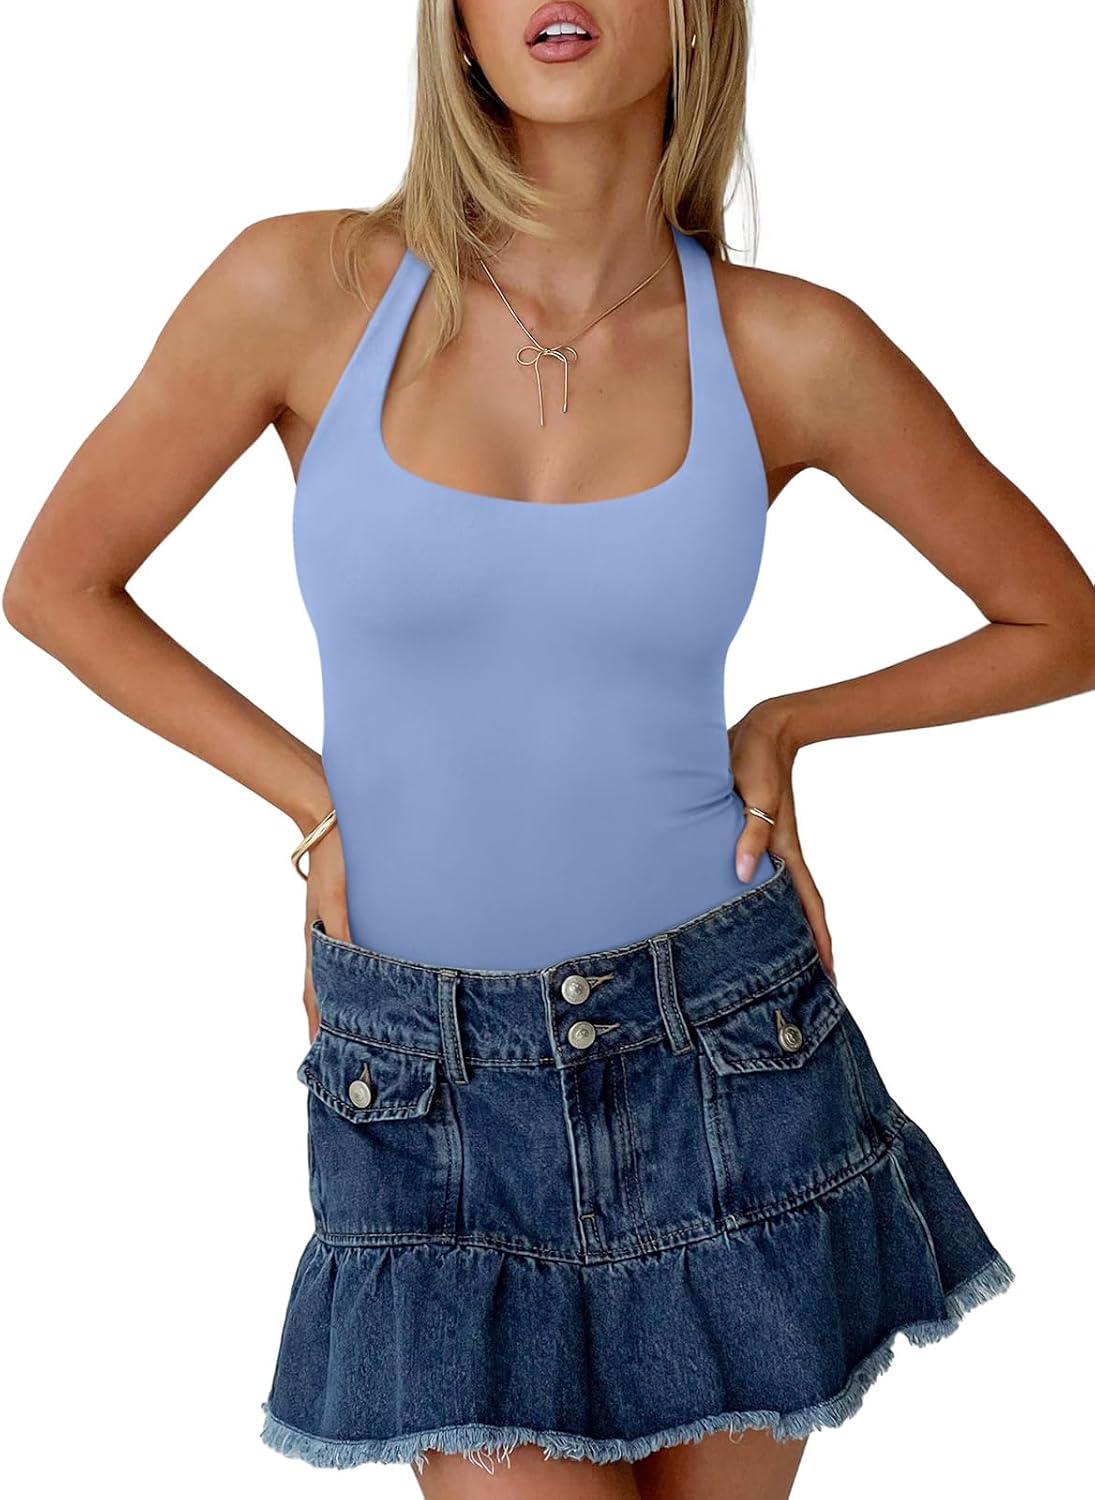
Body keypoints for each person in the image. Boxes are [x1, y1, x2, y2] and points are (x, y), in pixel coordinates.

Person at [5, 2, 1093, 1496]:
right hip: (426, 1082)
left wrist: (789, 724)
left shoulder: (788, 346)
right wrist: (313, 806)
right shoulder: (304, 289)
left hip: (723, 1048)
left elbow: (1059, 624)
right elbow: (57, 586)